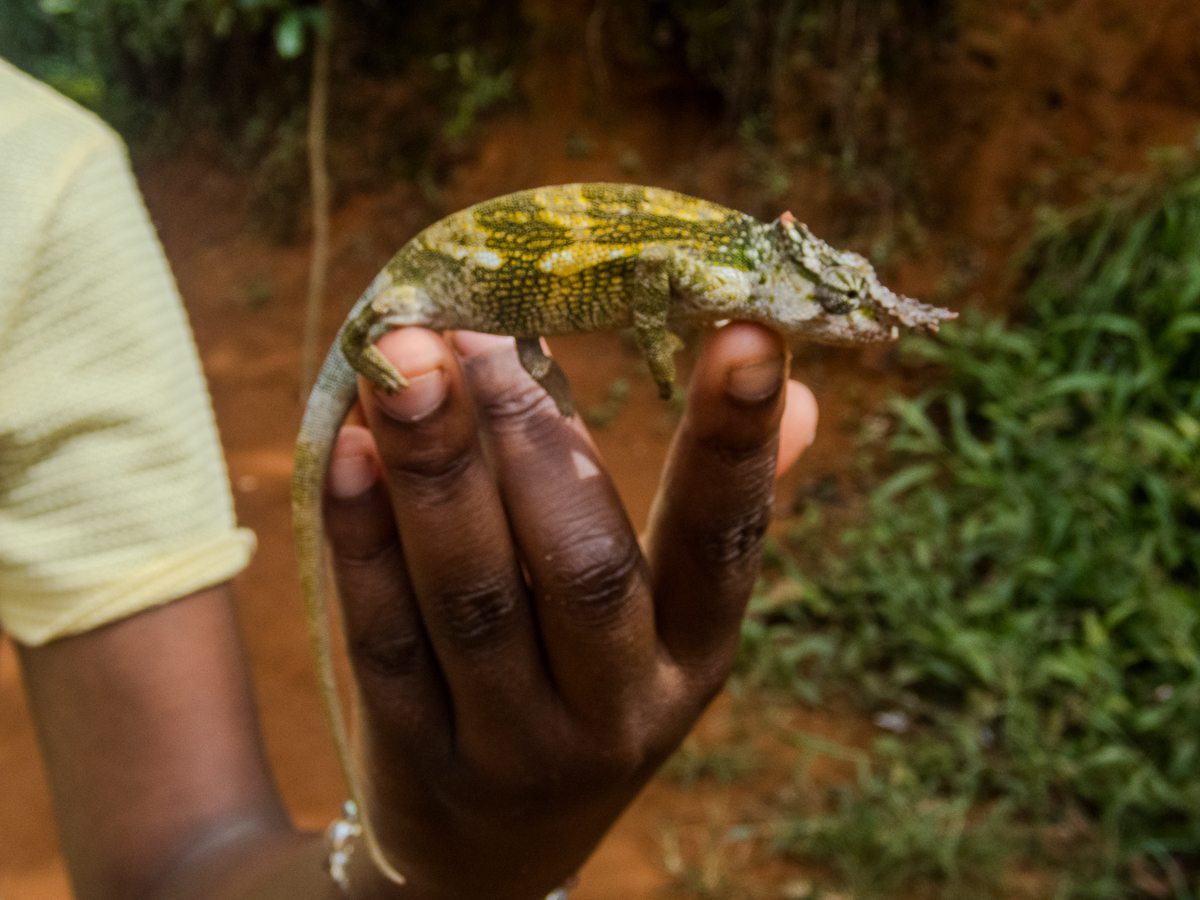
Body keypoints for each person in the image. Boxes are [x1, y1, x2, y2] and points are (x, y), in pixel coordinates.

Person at [1, 55, 819, 900]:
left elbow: (175, 861)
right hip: (443, 282)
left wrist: (454, 867)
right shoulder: (43, 175)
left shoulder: (51, 177)